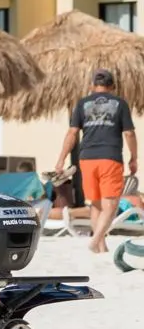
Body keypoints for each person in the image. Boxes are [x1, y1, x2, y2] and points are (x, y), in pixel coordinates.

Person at [55, 69, 137, 254]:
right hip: (110, 157)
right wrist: (134, 157)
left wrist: (61, 159)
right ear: (112, 86)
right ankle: (96, 240)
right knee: (111, 204)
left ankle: (101, 247)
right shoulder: (120, 103)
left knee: (96, 202)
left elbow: (72, 133)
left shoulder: (82, 103)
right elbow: (129, 133)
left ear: (92, 85)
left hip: (87, 158)